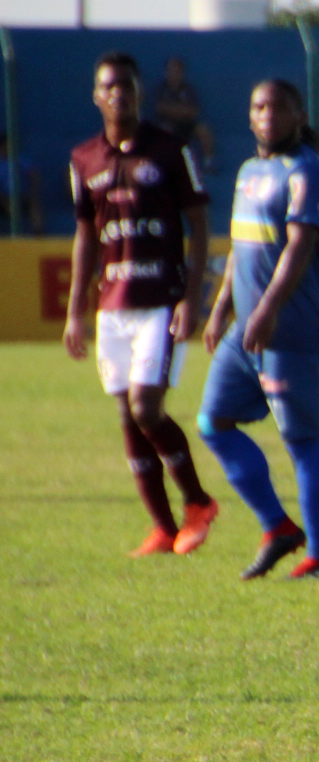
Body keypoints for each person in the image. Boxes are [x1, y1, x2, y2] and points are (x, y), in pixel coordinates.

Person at [65, 51, 219, 557]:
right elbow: (86, 236)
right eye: (110, 87)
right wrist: (75, 312)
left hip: (161, 300)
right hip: (113, 306)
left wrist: (192, 297)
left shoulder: (170, 150)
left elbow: (198, 225)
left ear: (138, 93)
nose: (119, 95)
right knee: (128, 417)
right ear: (96, 96)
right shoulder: (84, 159)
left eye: (127, 86)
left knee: (146, 407)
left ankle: (198, 501)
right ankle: (163, 527)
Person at [198, 80, 319, 581]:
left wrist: (264, 311)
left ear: (299, 114)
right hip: (248, 327)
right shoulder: (249, 171)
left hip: (289, 327)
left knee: (301, 441)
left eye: (279, 106)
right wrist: (221, 308)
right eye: (259, 105)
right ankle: (278, 527)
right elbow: (240, 246)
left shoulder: (306, 170)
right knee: (213, 422)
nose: (267, 114)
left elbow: (298, 248)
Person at [154, 56, 219, 174]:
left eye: (177, 71)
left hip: (187, 125)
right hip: (169, 126)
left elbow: (193, 111)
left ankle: (209, 162)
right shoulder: (161, 89)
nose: (174, 74)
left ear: (182, 73)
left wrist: (174, 110)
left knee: (203, 130)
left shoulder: (188, 89)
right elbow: (160, 108)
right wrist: (181, 110)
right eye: (171, 70)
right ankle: (165, 165)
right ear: (166, 72)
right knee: (164, 131)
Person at [0, 130, 47, 235]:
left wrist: (32, 192)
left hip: (22, 196)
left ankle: (39, 233)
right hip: (3, 197)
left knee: (34, 204)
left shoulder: (20, 160)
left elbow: (34, 174)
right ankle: (14, 233)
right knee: (6, 202)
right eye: (7, 145)